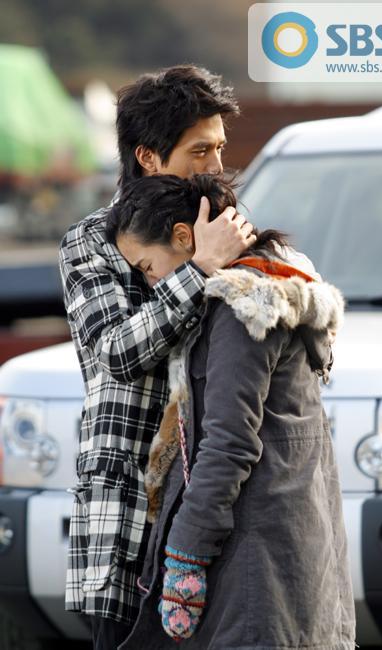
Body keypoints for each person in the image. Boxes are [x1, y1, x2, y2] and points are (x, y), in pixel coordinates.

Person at [107, 173, 356, 650]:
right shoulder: (262, 288)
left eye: (147, 266)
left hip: (257, 572)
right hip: (276, 560)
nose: (151, 282)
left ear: (184, 237)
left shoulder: (243, 309)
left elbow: (228, 444)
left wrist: (185, 554)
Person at [58, 65, 256, 650]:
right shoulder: (92, 241)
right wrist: (200, 269)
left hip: (217, 508)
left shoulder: (225, 229)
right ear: (147, 156)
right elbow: (115, 350)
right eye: (200, 151)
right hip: (128, 513)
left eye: (219, 148)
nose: (216, 166)